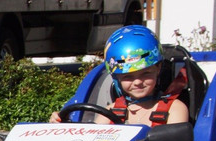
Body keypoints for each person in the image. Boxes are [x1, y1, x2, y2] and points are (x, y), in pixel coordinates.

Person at [50, 25, 189, 126]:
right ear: (117, 78)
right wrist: (62, 126)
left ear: (158, 69)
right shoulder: (111, 111)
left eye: (145, 74)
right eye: (128, 76)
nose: (137, 82)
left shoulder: (175, 109)